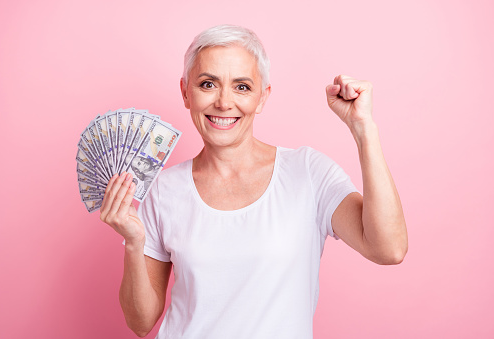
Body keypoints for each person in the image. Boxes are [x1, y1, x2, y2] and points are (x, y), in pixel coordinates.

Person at [99, 24, 408, 338]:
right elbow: (140, 322)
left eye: (242, 87)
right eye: (208, 84)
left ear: (263, 97)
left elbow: (389, 249)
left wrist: (364, 129)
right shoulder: (164, 190)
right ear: (185, 92)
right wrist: (135, 245)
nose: (223, 102)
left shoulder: (308, 173)